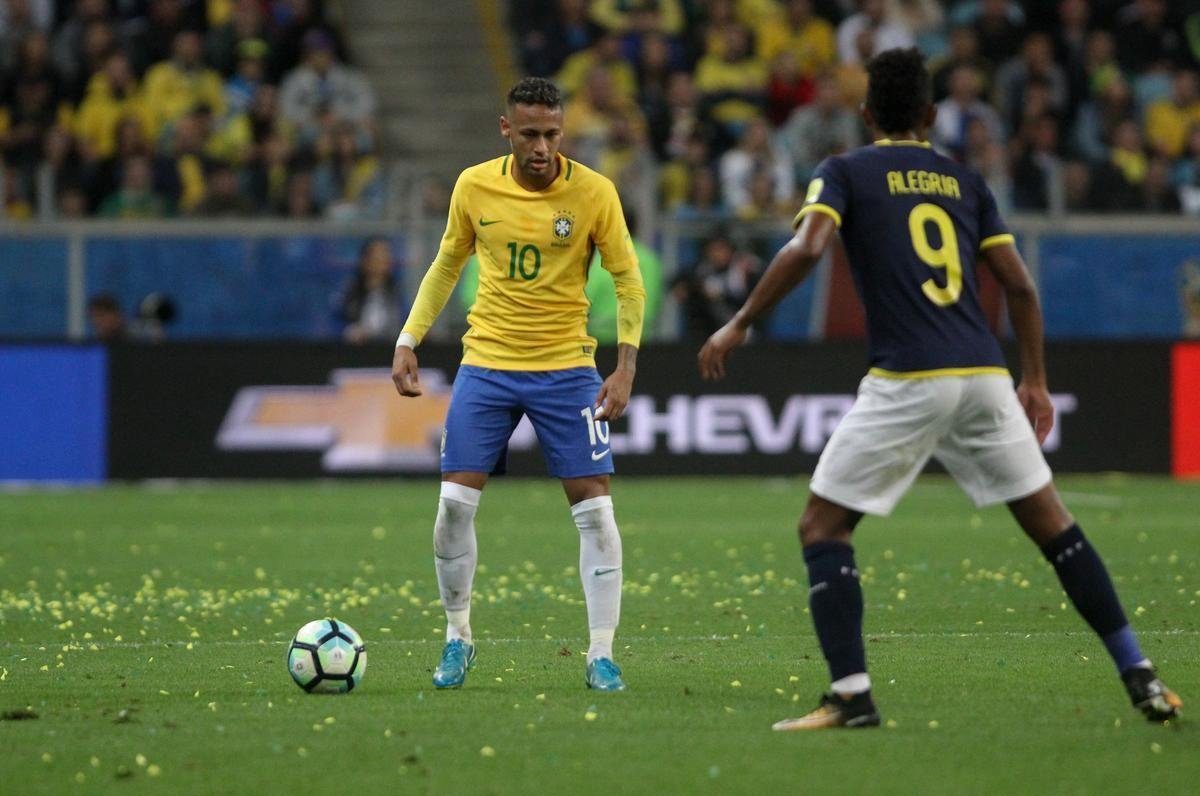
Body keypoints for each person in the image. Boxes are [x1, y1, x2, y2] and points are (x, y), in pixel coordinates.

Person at [697, 48, 1182, 731]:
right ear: (930, 115)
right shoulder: (966, 182)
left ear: (867, 115)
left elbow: (807, 248)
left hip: (910, 376)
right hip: (983, 375)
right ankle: (1142, 674)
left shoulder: (844, 170)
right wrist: (1035, 380)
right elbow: (1019, 284)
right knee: (1053, 524)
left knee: (823, 526)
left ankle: (852, 695)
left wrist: (740, 322)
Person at [391, 77, 645, 693]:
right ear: (506, 129)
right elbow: (449, 260)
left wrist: (625, 365)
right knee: (453, 507)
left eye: (552, 134)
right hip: (488, 364)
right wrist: (408, 338)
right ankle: (458, 639)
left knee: (598, 514)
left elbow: (628, 279)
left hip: (566, 369)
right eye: (530, 133)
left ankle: (601, 654)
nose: (542, 146)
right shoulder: (474, 185)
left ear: (564, 131)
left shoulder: (594, 192)